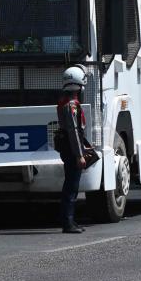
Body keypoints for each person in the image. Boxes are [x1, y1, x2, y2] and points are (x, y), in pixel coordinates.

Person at [54, 65, 95, 234]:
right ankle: (68, 223)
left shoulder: (65, 102)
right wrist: (80, 155)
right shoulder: (72, 105)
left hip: (68, 148)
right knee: (71, 186)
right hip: (72, 150)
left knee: (71, 186)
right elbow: (74, 131)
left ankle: (71, 221)